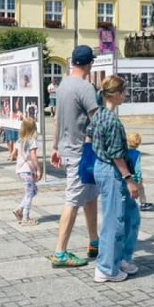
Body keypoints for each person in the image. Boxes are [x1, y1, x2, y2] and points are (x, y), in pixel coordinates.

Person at [48, 45, 100, 268]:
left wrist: (54, 147)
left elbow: (57, 118)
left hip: (68, 149)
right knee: (73, 200)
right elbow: (97, 121)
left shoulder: (63, 84)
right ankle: (60, 253)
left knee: (90, 196)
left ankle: (94, 241)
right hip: (81, 152)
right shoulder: (86, 87)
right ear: (89, 64)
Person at [91, 76, 142, 283]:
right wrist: (129, 179)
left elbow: (89, 135)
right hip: (112, 170)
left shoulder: (100, 114)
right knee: (114, 221)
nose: (126, 95)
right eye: (124, 92)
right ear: (117, 94)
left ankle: (120, 258)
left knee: (130, 215)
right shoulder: (110, 120)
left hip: (104, 168)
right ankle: (105, 268)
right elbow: (116, 155)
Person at [13, 117, 42, 226]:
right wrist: (38, 169)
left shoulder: (19, 141)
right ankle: (25, 217)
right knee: (30, 193)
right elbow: (34, 156)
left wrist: (20, 158)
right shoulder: (32, 141)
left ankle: (19, 209)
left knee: (33, 191)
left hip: (21, 170)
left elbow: (13, 154)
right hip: (28, 170)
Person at [127, 133, 152, 211]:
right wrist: (139, 177)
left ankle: (129, 204)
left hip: (127, 175)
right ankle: (143, 203)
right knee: (141, 189)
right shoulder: (137, 154)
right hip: (135, 176)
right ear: (138, 143)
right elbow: (137, 167)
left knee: (128, 190)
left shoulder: (125, 152)